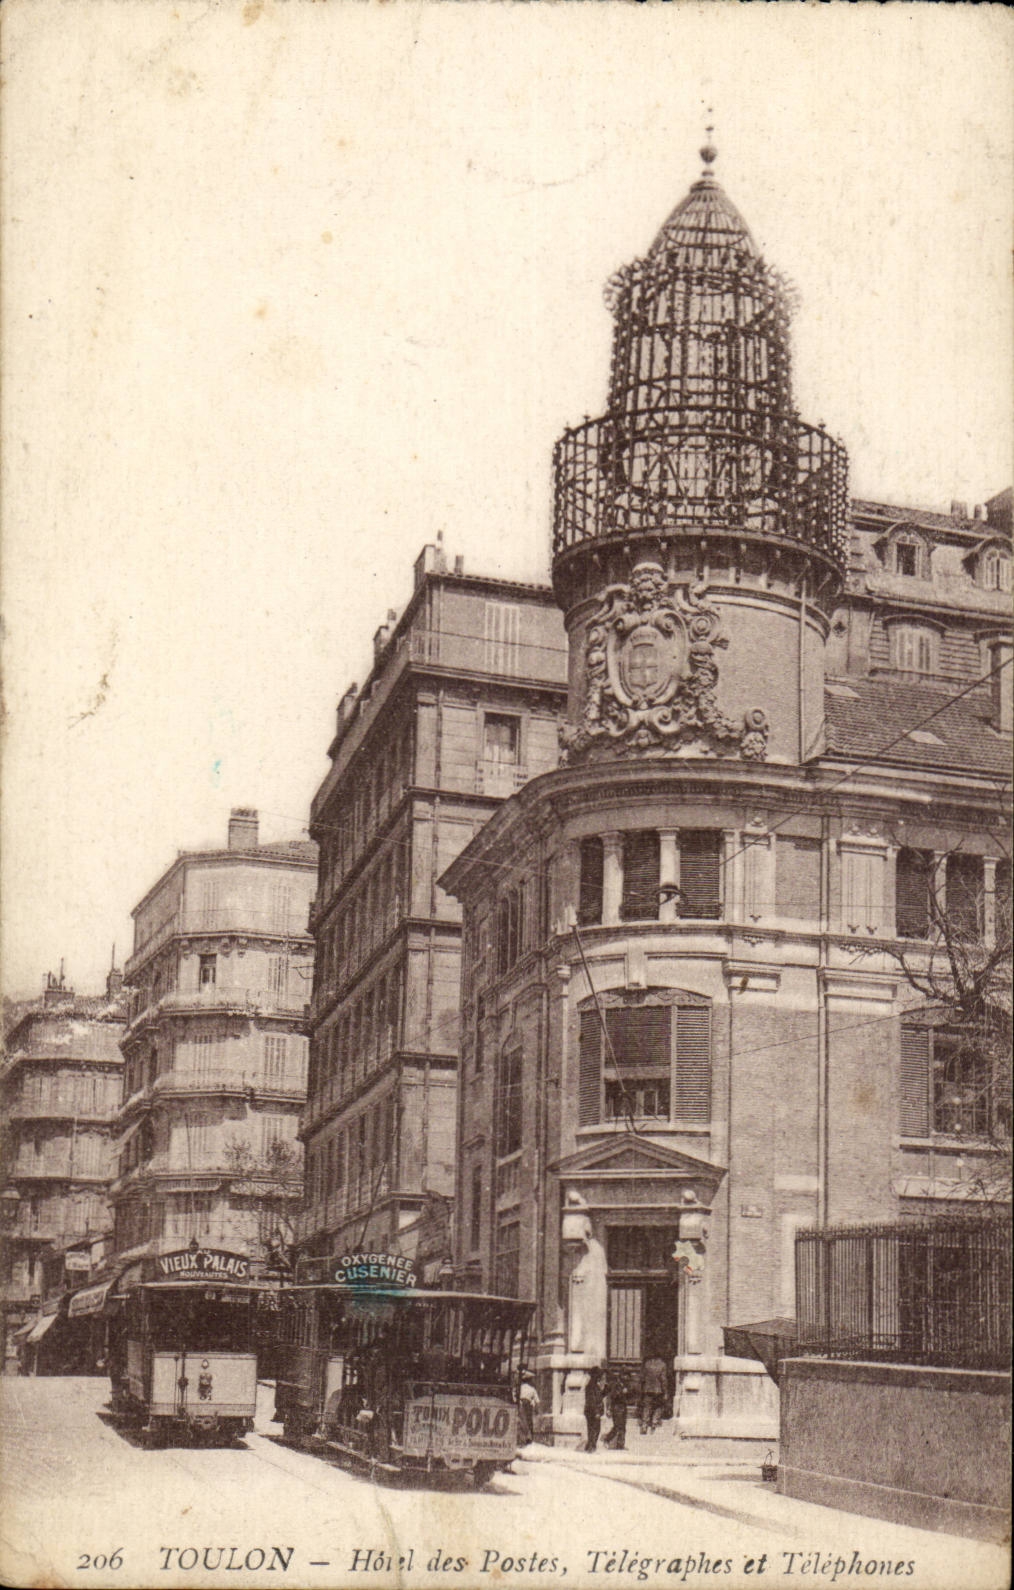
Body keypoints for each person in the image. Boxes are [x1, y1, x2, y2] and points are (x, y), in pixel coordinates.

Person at [639, 1351, 668, 1434]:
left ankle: (644, 1425)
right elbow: (663, 1380)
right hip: (658, 1390)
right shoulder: (662, 1365)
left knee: (647, 1407)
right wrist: (665, 1392)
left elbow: (642, 1378)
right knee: (659, 1406)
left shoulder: (647, 1364)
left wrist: (642, 1389)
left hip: (647, 1389)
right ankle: (654, 1423)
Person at [602, 1371, 628, 1450]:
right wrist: (621, 1393)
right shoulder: (615, 1385)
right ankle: (607, 1439)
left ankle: (620, 1445)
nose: (626, 1379)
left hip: (623, 1407)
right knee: (617, 1426)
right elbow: (613, 1396)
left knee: (623, 1427)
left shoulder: (624, 1385)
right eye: (625, 1377)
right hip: (617, 1408)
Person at [582, 1366, 604, 1452]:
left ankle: (589, 1445)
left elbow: (599, 1397)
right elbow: (593, 1400)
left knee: (591, 1428)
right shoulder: (592, 1386)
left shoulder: (592, 1385)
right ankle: (591, 1446)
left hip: (591, 1411)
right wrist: (597, 1412)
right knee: (595, 1429)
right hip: (593, 1411)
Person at [518, 1370, 539, 1446]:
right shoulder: (532, 1389)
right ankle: (529, 1438)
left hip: (521, 1405)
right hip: (528, 1406)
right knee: (529, 1421)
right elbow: (537, 1400)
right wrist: (536, 1409)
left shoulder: (519, 1388)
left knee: (522, 1421)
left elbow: (515, 1396)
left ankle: (523, 1438)